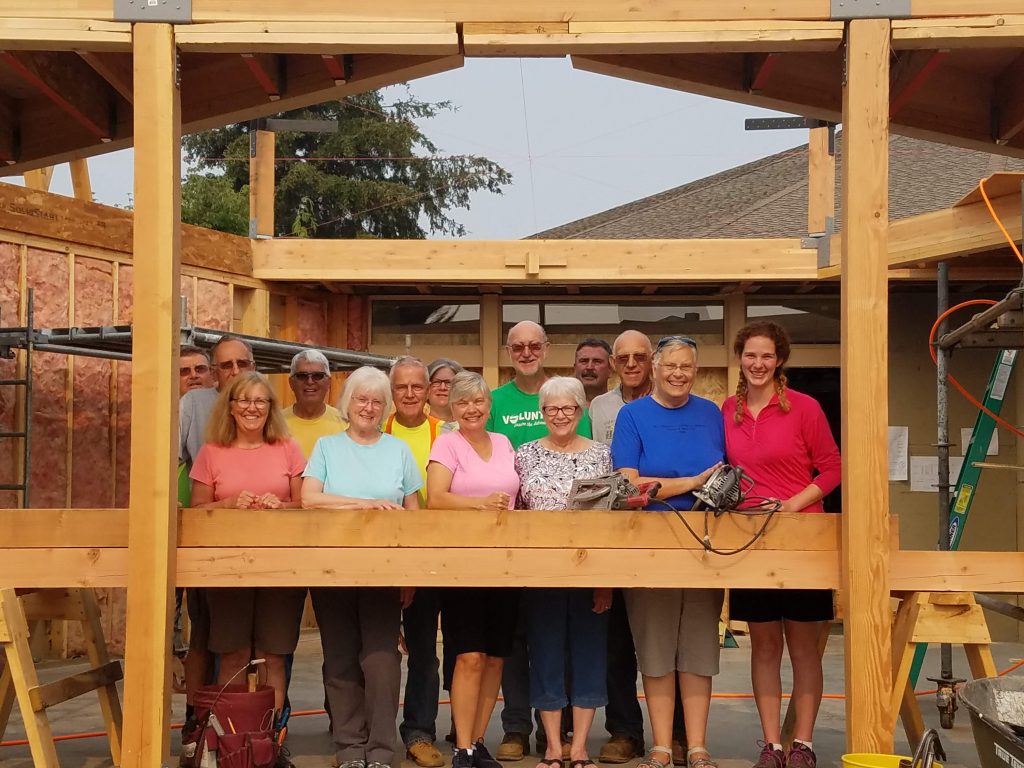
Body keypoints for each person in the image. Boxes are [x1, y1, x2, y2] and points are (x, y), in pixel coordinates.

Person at [722, 321, 841, 768]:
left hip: (802, 538)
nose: (758, 364)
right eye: (751, 355)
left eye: (767, 356)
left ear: (780, 360)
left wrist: (793, 506)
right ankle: (772, 745)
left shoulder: (805, 408)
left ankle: (803, 745)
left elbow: (832, 468)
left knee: (803, 646)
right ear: (740, 359)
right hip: (751, 542)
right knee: (764, 645)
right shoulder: (726, 412)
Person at [611, 336, 725, 768]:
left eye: (687, 367)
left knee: (699, 650)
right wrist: (695, 481)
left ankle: (696, 747)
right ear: (655, 369)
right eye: (671, 366)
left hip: (705, 545)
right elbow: (629, 483)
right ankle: (661, 746)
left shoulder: (711, 414)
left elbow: (727, 472)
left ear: (696, 371)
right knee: (655, 650)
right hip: (649, 543)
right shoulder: (632, 415)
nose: (679, 374)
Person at [302, 366, 421, 768]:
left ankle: (382, 750)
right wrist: (361, 504)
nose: (368, 408)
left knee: (381, 660)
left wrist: (409, 575)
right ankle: (350, 748)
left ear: (384, 407)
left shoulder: (398, 450)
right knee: (339, 659)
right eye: (360, 399)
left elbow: (413, 515)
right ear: (347, 403)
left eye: (376, 401)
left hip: (385, 572)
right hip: (332, 569)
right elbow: (309, 499)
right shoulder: (326, 447)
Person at [488, 320, 590, 761]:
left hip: (576, 555)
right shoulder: (494, 402)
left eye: (534, 345)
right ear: (509, 351)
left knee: (568, 643)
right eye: (518, 346)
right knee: (519, 641)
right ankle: (516, 728)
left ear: (547, 349)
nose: (527, 352)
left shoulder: (562, 395)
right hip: (516, 539)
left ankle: (566, 732)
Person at [189, 371, 306, 722]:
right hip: (227, 568)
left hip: (281, 567)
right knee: (233, 655)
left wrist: (281, 507)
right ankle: (234, 738)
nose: (252, 408)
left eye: (260, 401)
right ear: (231, 407)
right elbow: (196, 511)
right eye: (244, 400)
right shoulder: (211, 452)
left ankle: (269, 738)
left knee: (273, 655)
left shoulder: (288, 448)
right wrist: (227, 505)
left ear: (271, 408)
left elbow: (306, 505)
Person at [590, 330, 683, 766]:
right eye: (622, 357)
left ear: (654, 361)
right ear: (612, 362)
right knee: (616, 638)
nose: (631, 363)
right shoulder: (600, 407)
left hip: (665, 530)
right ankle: (625, 731)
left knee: (673, 641)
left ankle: (678, 734)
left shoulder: (675, 402)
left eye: (639, 356)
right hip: (615, 529)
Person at [516, 377, 612, 768]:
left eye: (568, 408)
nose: (560, 416)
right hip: (540, 574)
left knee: (590, 656)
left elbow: (611, 522)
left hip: (591, 572)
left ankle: (580, 748)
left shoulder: (601, 455)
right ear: (542, 414)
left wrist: (605, 581)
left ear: (581, 410)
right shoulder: (523, 454)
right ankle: (554, 747)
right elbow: (518, 514)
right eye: (552, 409)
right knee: (545, 655)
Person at [426, 371, 521, 768]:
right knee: (469, 656)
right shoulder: (447, 444)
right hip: (462, 562)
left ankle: (480, 741)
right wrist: (480, 505)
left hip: (506, 563)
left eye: (478, 401)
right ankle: (462, 745)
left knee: (496, 657)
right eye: (463, 402)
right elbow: (436, 498)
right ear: (452, 406)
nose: (471, 408)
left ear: (488, 404)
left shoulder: (503, 442)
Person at [178, 335, 257, 764]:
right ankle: (197, 719)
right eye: (225, 366)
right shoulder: (194, 405)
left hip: (259, 546)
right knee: (205, 636)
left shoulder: (264, 400)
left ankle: (244, 726)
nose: (234, 372)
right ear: (215, 371)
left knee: (251, 643)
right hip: (208, 535)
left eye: (242, 363)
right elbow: (171, 460)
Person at [385, 356, 446, 768]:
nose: (409, 394)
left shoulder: (446, 432)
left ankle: (420, 731)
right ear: (392, 392)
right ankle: (367, 733)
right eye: (401, 387)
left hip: (434, 556)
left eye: (416, 386)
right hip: (382, 556)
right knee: (376, 650)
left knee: (425, 649)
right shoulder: (376, 430)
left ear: (427, 391)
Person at [284, 349, 345, 457]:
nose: (310, 382)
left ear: (328, 382)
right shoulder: (274, 423)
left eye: (318, 376)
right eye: (302, 376)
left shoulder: (345, 424)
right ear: (291, 383)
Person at [427, 358, 464, 431]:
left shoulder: (468, 429)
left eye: (448, 383)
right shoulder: (417, 427)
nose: (442, 387)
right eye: (436, 382)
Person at [572, 338, 612, 406]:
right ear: (575, 368)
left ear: (610, 370)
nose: (589, 367)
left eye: (597, 362)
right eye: (584, 361)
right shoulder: (560, 408)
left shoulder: (621, 409)